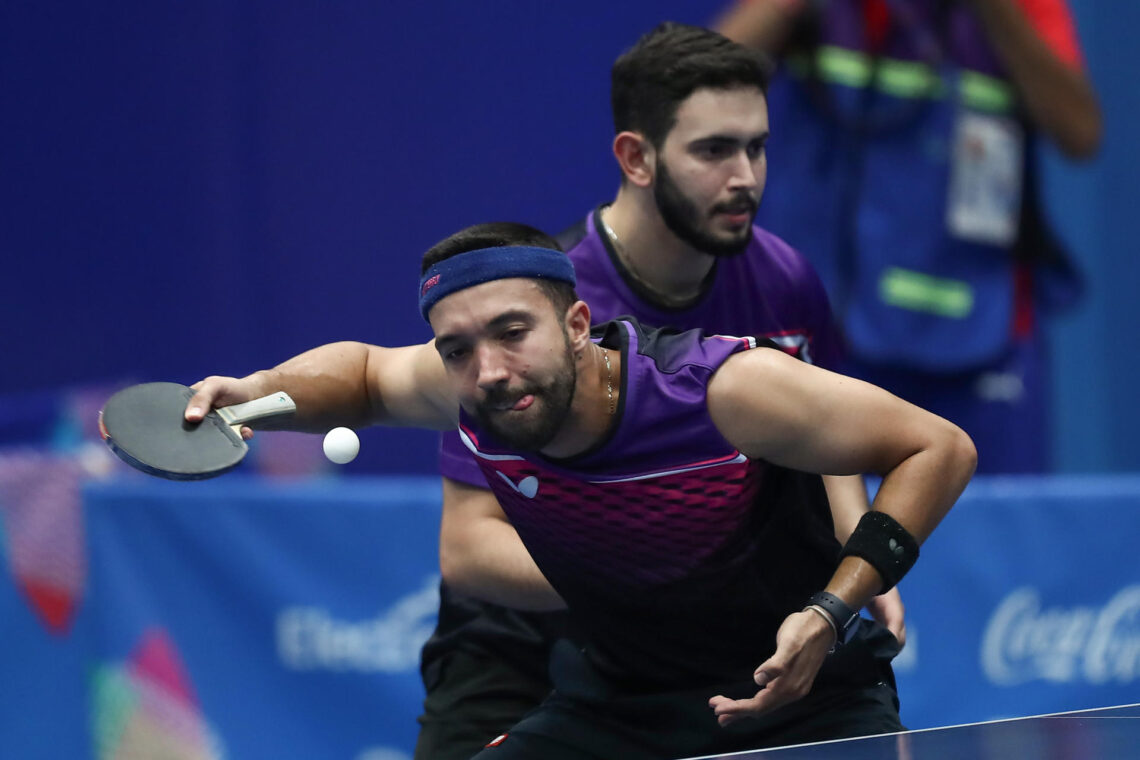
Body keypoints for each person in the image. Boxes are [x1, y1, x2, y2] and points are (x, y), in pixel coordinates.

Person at [186, 222, 976, 759]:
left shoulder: (721, 391)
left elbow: (938, 446)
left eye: (512, 332)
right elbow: (361, 373)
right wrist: (253, 394)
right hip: (623, 705)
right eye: (457, 348)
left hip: (806, 702)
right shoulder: (471, 389)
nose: (489, 370)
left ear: (576, 324)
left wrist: (831, 607)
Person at [417, 23, 906, 760]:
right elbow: (468, 550)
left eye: (757, 146)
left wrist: (851, 562)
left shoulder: (784, 283)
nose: (745, 176)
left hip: (704, 616)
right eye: (714, 150)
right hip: (529, 629)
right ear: (636, 158)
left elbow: (827, 446)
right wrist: (635, 575)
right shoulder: (533, 315)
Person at [712, 0, 1102, 473]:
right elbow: (696, 95)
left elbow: (1080, 132)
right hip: (822, 329)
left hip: (980, 329)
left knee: (995, 535)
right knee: (819, 535)